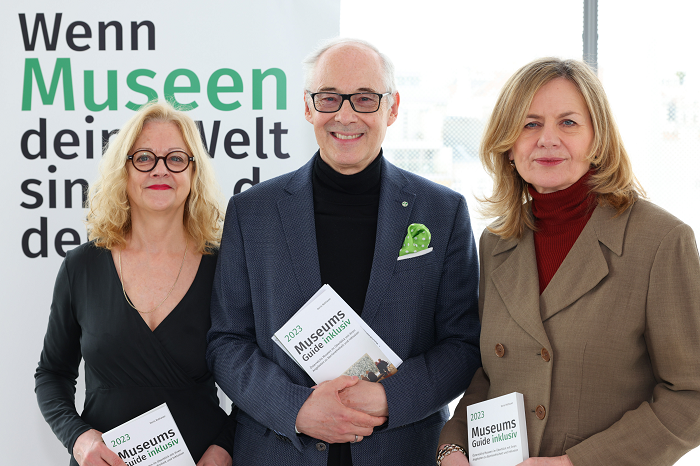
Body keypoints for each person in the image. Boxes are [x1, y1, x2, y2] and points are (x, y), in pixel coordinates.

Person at [206, 38, 481, 466]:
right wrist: (296, 408)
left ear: (392, 108)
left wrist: (387, 398)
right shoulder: (251, 212)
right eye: (329, 97)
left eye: (365, 98)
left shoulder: (443, 212)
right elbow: (227, 342)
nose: (346, 115)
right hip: (279, 453)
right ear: (308, 106)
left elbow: (462, 344)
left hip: (401, 452)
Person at [436, 58, 700, 466]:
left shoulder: (662, 241)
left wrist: (576, 463)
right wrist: (452, 447)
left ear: (598, 139)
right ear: (509, 146)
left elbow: (691, 396)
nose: (548, 139)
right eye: (530, 124)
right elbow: (491, 375)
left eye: (568, 123)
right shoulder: (496, 242)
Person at [35, 101, 236, 466]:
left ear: (194, 172)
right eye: (144, 158)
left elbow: (255, 377)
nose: (160, 169)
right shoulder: (81, 266)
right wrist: (78, 439)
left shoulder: (225, 267)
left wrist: (224, 448)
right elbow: (52, 374)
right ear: (123, 171)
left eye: (176, 158)